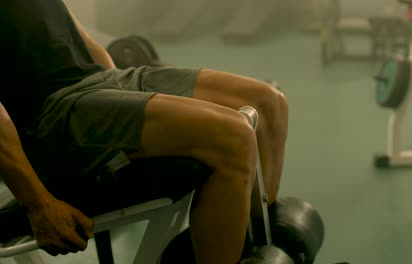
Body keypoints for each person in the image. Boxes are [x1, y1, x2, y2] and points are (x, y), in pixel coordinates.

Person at [0, 0, 288, 263]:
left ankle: (255, 243)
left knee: (268, 103)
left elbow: (74, 33)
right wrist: (38, 204)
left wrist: (124, 97)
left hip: (102, 81)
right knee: (233, 136)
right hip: (55, 116)